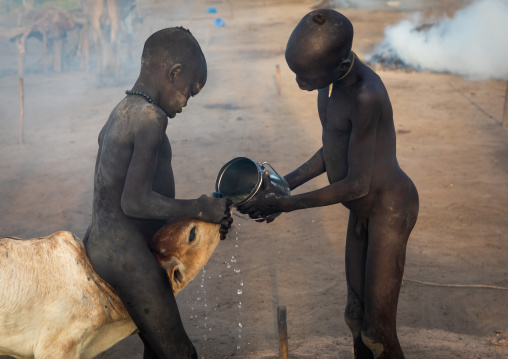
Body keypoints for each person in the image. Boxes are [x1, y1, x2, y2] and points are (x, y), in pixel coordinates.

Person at [238, 10, 419, 359]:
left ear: (338, 67)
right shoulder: (332, 84)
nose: (298, 83)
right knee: (355, 317)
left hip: (389, 209)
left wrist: (287, 204)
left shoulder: (367, 96)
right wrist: (282, 184)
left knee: (378, 332)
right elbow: (332, 150)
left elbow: (356, 185)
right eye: (295, 73)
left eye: (305, 76)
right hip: (363, 212)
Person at [84, 27, 232, 359]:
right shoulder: (150, 118)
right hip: (125, 255)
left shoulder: (124, 109)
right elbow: (134, 201)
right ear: (174, 73)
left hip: (103, 241)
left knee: (157, 347)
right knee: (179, 353)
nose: (186, 102)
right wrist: (199, 207)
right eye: (189, 92)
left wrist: (201, 213)